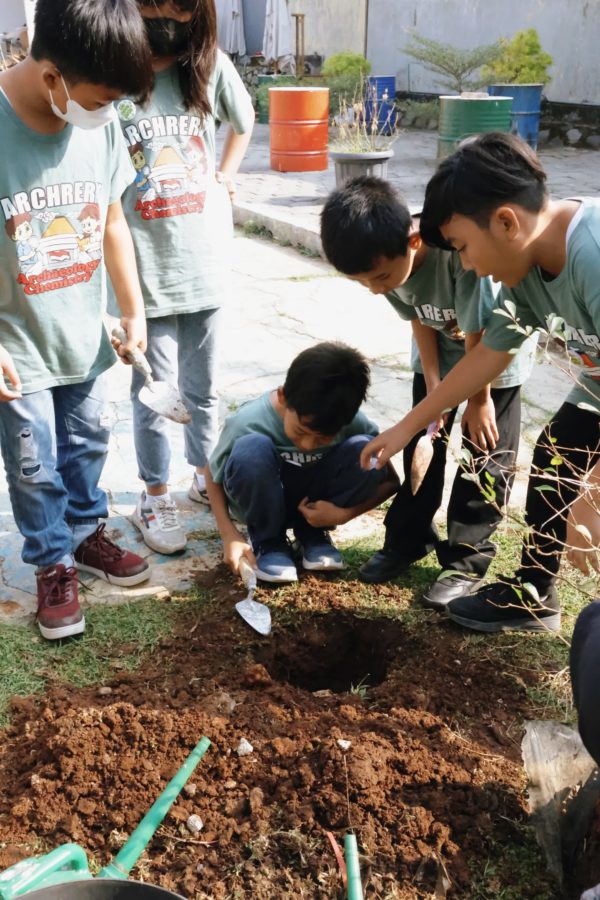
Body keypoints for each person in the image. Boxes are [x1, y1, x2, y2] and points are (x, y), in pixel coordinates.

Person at [361, 133, 600, 633]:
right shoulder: (529, 271)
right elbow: (486, 355)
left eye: (466, 249)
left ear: (506, 222)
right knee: (558, 451)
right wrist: (409, 427)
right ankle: (534, 592)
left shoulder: (592, 256)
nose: (467, 266)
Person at [0, 0, 154, 639]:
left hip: (85, 334)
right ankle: (52, 561)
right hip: (17, 342)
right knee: (34, 465)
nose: (108, 111)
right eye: (101, 96)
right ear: (51, 76)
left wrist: (133, 306)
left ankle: (88, 531)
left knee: (90, 439)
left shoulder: (102, 125)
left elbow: (114, 218)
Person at [320, 176, 536, 608]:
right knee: (421, 444)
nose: (376, 289)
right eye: (364, 283)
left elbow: (478, 330)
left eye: (379, 277)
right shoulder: (384, 270)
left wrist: (478, 400)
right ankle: (408, 540)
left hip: (494, 361)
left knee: (487, 456)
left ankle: (465, 560)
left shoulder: (455, 255)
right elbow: (419, 316)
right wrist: (433, 387)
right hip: (439, 354)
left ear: (413, 241)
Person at [111, 0, 255, 556]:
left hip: (206, 261)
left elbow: (243, 123)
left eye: (178, 5)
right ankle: (154, 492)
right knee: (153, 392)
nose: (164, 15)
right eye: (153, 4)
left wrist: (225, 175)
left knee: (205, 389)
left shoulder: (210, 65)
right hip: (145, 268)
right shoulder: (119, 72)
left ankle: (206, 474)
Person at [205, 342, 398, 582]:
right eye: (301, 430)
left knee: (363, 449)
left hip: (316, 504)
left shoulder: (351, 421)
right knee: (251, 450)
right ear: (284, 396)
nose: (307, 445)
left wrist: (343, 514)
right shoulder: (247, 422)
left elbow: (390, 481)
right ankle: (269, 543)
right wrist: (229, 535)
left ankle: (313, 535)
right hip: (266, 500)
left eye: (323, 438)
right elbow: (211, 475)